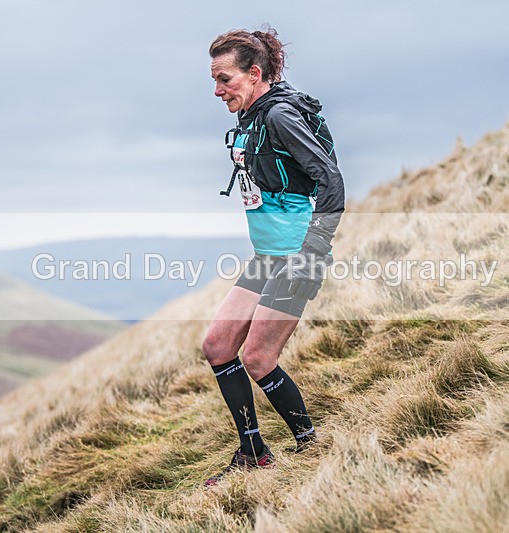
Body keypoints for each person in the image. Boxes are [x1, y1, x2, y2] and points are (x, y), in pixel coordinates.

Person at [202, 27, 345, 487]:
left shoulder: (280, 116)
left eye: (225, 79)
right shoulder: (253, 116)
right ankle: (253, 452)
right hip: (268, 255)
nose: (218, 90)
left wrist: (314, 248)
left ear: (255, 73)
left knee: (258, 358)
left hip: (297, 256)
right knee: (218, 346)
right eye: (215, 79)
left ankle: (311, 445)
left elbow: (331, 180)